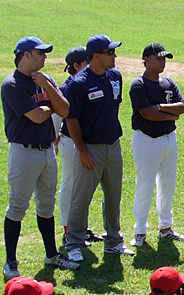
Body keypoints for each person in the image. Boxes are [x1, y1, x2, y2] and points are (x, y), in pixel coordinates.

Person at [0, 37, 78, 280]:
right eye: (40, 53)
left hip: (47, 151)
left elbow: (64, 110)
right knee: (17, 206)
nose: (45, 57)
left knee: (46, 205)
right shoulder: (12, 84)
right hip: (23, 152)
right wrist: (50, 106)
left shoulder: (46, 80)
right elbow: (36, 115)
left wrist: (48, 88)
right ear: (25, 55)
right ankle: (10, 261)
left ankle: (51, 254)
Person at [64, 34, 132, 262]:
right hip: (90, 148)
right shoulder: (78, 84)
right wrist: (82, 151)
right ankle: (73, 242)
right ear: (96, 56)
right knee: (81, 198)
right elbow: (71, 120)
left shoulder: (115, 77)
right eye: (110, 53)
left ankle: (113, 240)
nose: (115, 56)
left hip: (113, 145)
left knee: (114, 196)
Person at [129, 43, 184, 247]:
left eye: (164, 59)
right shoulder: (138, 84)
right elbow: (146, 114)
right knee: (144, 185)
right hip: (146, 140)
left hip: (169, 140)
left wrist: (161, 108)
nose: (163, 62)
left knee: (168, 185)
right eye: (158, 58)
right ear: (146, 59)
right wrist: (169, 115)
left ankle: (166, 227)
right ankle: (139, 231)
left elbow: (183, 107)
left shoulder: (169, 83)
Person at [53, 46, 101, 246]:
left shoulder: (86, 82)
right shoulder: (67, 87)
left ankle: (81, 227)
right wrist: (53, 138)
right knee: (70, 185)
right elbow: (58, 114)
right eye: (86, 61)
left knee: (82, 187)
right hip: (70, 141)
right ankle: (67, 230)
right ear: (76, 65)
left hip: (85, 140)